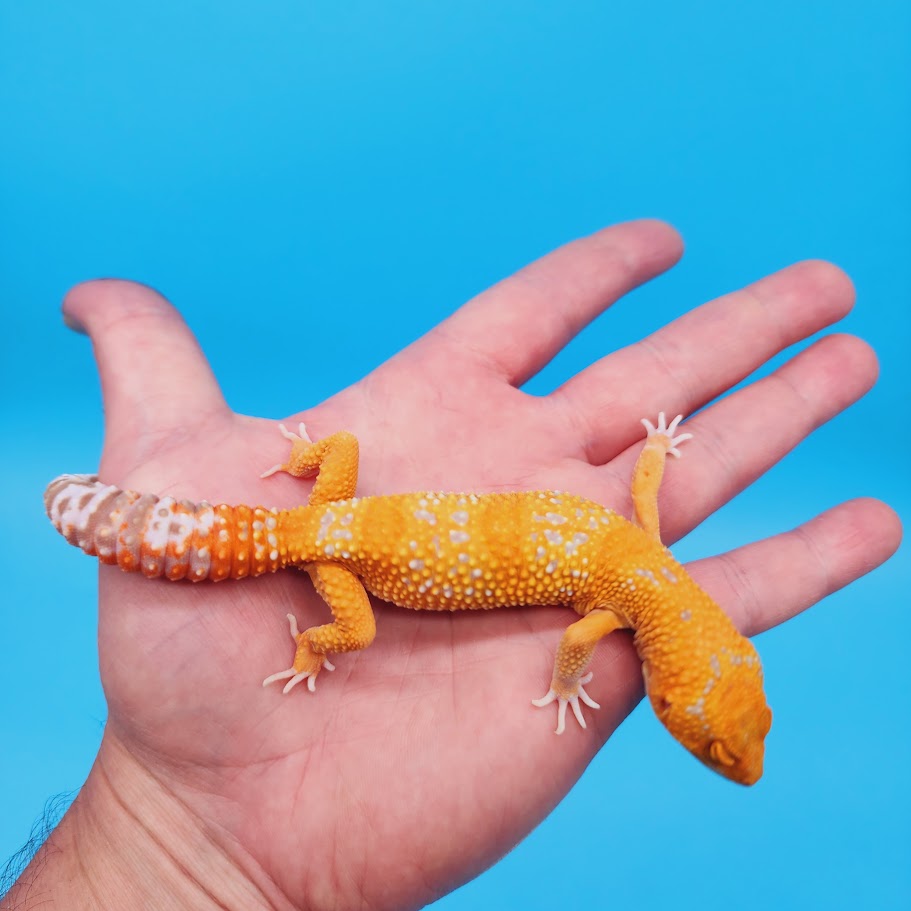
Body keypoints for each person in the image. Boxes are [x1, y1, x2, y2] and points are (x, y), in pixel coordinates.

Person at [4, 220, 901, 910]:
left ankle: (289, 484)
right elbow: (577, 642)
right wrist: (560, 684)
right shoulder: (627, 597)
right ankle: (316, 649)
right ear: (668, 692)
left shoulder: (642, 556)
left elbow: (644, 492)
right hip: (335, 563)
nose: (733, 756)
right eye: (717, 741)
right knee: (352, 630)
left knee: (336, 453)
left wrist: (657, 443)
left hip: (337, 514)